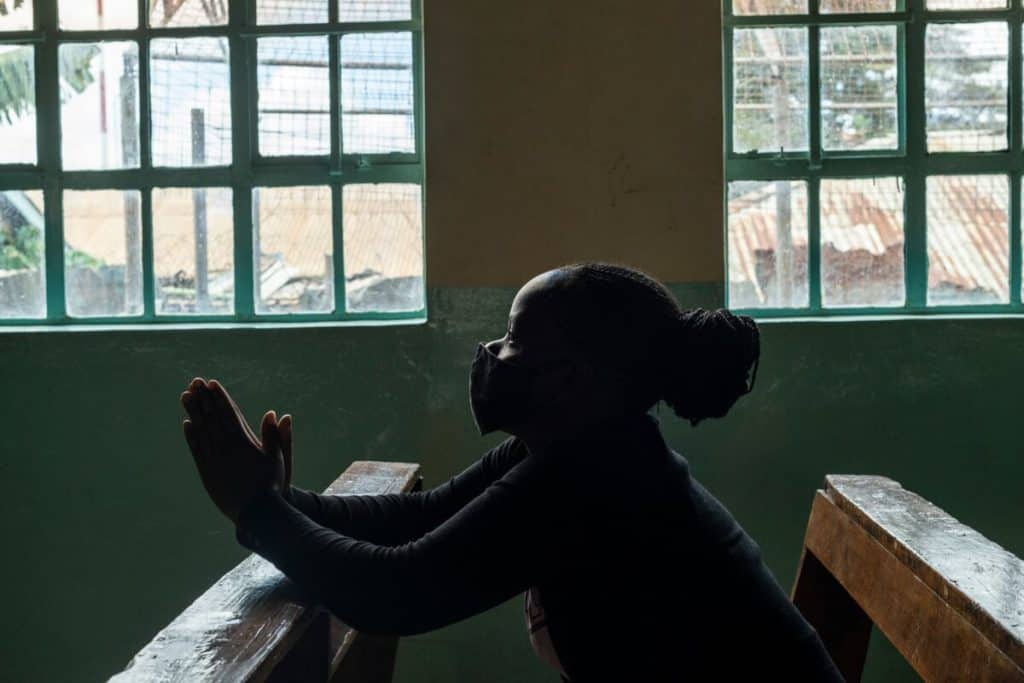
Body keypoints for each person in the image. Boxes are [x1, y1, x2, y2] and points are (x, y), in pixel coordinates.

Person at [180, 262, 844, 682]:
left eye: (514, 339)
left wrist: (260, 512)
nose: (493, 353)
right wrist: (281, 498)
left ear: (574, 377)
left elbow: (397, 591)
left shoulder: (594, 481)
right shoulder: (572, 447)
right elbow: (419, 517)